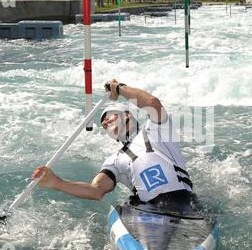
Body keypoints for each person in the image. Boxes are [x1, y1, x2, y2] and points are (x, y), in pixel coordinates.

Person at [31, 79, 196, 213]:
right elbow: (96, 190)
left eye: (110, 116)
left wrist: (119, 88)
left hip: (185, 203)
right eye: (103, 124)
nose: (105, 122)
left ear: (128, 116)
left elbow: (152, 103)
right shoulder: (115, 161)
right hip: (148, 210)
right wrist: (56, 182)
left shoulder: (156, 130)